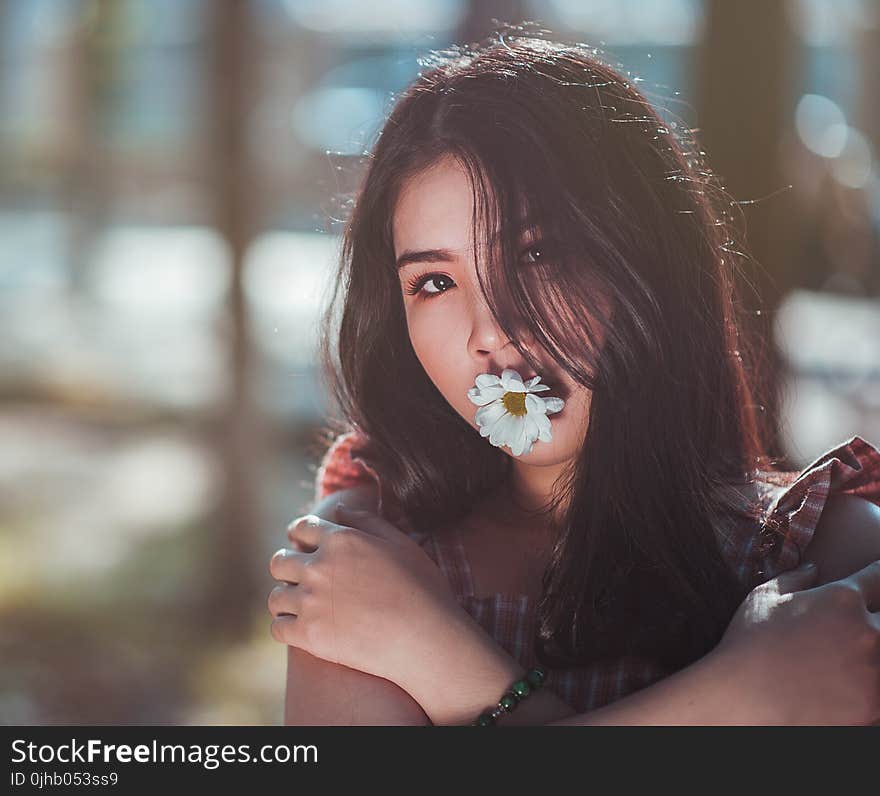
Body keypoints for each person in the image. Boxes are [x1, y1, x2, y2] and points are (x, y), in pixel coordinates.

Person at [267, 30, 880, 725]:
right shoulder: (368, 556)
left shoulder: (831, 560)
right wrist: (734, 701)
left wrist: (446, 664)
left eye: (537, 253)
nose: (489, 331)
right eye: (434, 281)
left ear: (644, 258)